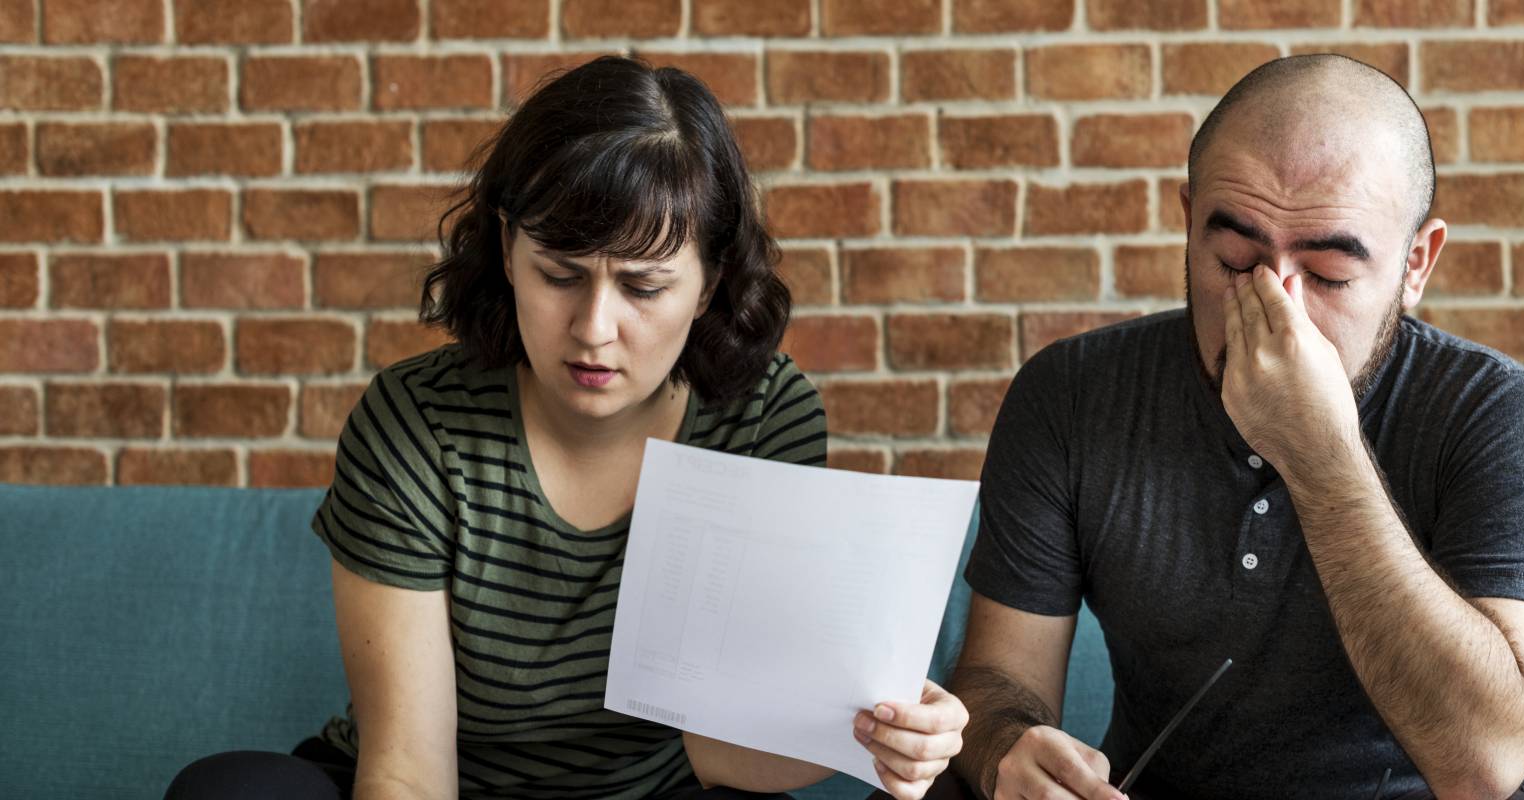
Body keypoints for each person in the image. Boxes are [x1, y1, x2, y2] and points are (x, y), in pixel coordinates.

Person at [166, 56, 966, 800]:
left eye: (644, 287)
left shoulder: (763, 413)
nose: (593, 328)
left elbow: (728, 745)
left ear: (708, 283)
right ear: (509, 247)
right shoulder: (416, 424)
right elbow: (410, 764)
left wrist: (883, 734)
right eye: (560, 274)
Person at [944, 54, 1524, 800]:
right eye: (1236, 259)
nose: (1276, 308)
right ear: (1187, 222)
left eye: (1331, 275)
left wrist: (1320, 453)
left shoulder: (1497, 414)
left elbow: (1485, 766)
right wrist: (1005, 752)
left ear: (1416, 263)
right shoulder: (1072, 395)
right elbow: (998, 680)